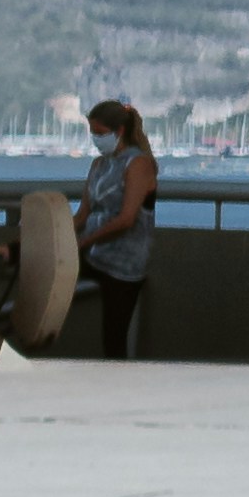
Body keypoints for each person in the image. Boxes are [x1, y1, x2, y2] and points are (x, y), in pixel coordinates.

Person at [71, 99, 155, 355]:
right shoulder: (99, 165)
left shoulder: (139, 164)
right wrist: (61, 235)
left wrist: (84, 241)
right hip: (94, 256)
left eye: (100, 133)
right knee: (44, 261)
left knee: (114, 337)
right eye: (93, 133)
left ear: (118, 131)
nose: (96, 139)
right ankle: (10, 252)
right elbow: (83, 214)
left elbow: (126, 219)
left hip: (123, 264)